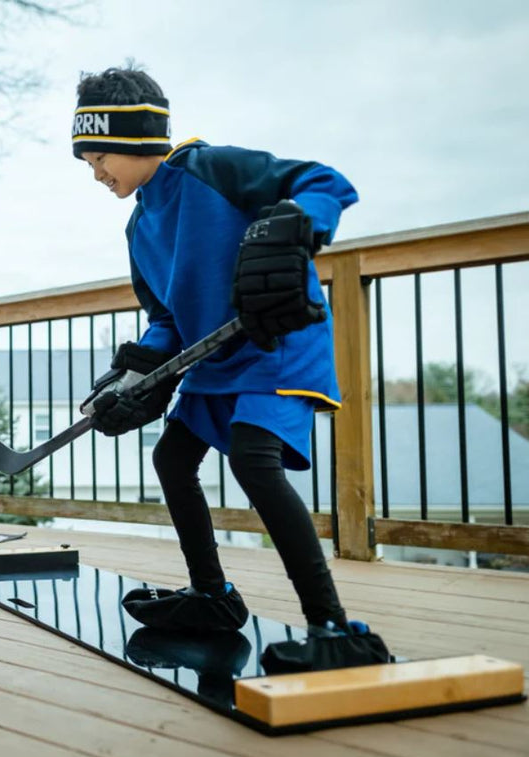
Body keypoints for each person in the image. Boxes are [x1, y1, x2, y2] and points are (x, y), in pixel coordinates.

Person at [73, 65, 388, 671]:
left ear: (137, 138)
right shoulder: (140, 225)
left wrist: (303, 221)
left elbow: (326, 181)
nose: (96, 174)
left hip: (278, 346)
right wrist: (141, 369)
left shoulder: (212, 169)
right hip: (216, 360)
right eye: (87, 163)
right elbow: (165, 316)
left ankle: (333, 628)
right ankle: (212, 598)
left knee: (252, 458)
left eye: (99, 156)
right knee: (172, 458)